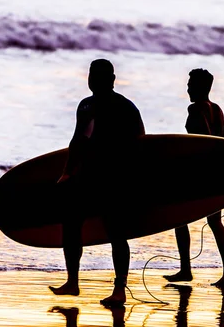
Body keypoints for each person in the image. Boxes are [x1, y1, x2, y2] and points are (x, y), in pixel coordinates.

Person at [49, 58, 145, 307]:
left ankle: (108, 287)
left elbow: (80, 141)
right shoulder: (105, 106)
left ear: (110, 80)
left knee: (107, 232)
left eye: (98, 75)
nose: (93, 79)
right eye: (91, 74)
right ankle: (82, 283)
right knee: (83, 227)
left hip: (106, 178)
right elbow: (78, 141)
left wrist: (68, 172)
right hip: (102, 177)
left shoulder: (106, 106)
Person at [164, 68, 224, 287]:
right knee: (214, 222)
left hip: (202, 174)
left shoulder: (196, 109)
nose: (187, 88)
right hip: (217, 173)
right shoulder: (217, 109)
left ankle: (187, 269)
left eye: (190, 84)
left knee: (179, 218)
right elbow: (222, 141)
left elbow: (204, 142)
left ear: (199, 87)